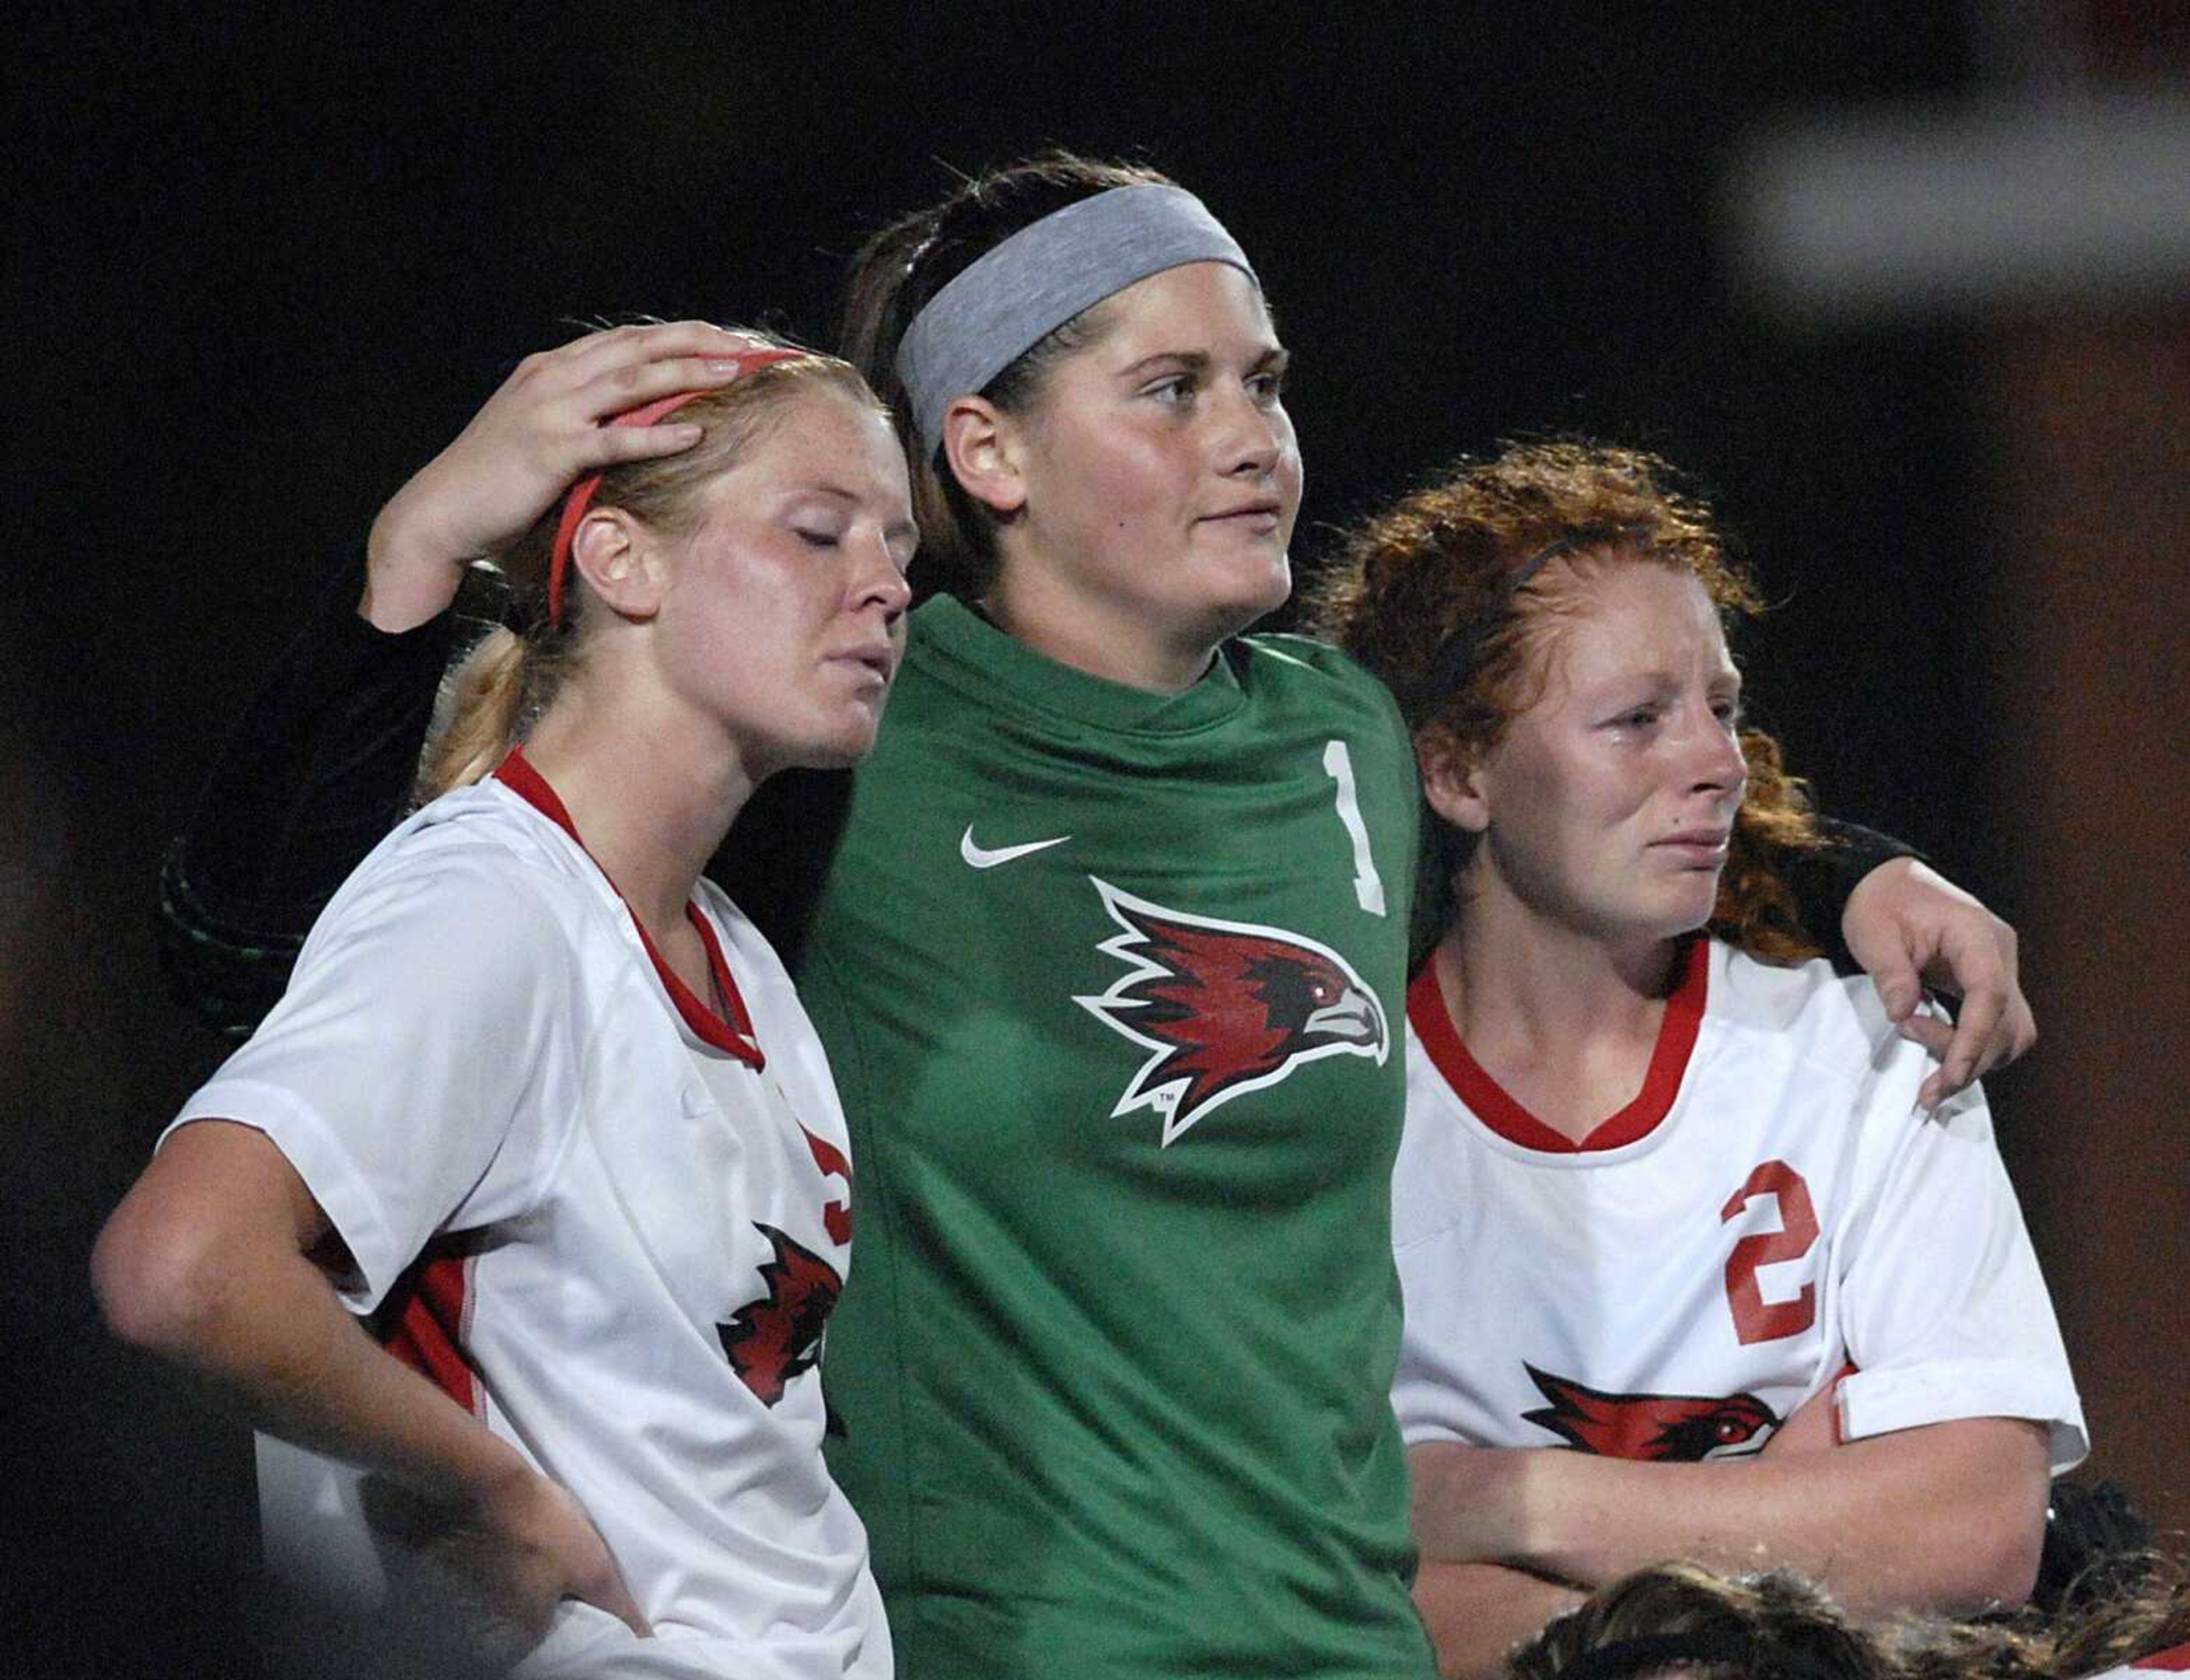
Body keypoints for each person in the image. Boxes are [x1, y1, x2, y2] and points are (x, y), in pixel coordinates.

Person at [156, 157, 2037, 1680]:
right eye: (1175, 387)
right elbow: (276, 958)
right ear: (990, 452)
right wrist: (407, 571)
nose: (1256, 436)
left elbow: (1560, 763)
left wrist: (1853, 870)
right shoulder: (859, 743)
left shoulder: (1333, 739)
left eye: (1268, 382)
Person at [96, 336, 916, 1678]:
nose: (884, 586)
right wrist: (502, 1493)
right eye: (820, 532)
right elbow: (181, 1267)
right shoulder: (491, 904)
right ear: (620, 560)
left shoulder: (735, 951)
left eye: (895, 547)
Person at [1313, 441, 2084, 1678]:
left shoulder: (1871, 1056)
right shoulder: (1326, 1115)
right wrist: (1792, 1525)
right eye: (1637, 722)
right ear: (1456, 773)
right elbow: (1334, 1596)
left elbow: (1980, 1527)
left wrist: (1515, 1508)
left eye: (1721, 707)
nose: (1720, 764)